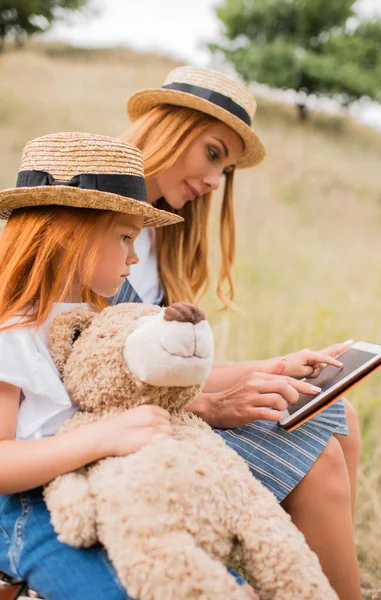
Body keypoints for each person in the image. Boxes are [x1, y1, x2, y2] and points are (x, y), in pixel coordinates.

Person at [115, 66, 362, 600]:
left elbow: (166, 373)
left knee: (336, 412)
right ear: (169, 128)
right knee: (317, 458)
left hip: (162, 410)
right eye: (212, 153)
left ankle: (319, 566)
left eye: (225, 168)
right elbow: (81, 379)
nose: (213, 182)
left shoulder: (162, 238)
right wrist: (214, 405)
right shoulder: (98, 224)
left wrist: (274, 367)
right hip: (109, 429)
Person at [0, 131, 263, 600]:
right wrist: (101, 438)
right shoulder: (15, 331)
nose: (134, 256)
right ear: (68, 234)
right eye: (124, 236)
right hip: (32, 508)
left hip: (108, 488)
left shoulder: (99, 322)